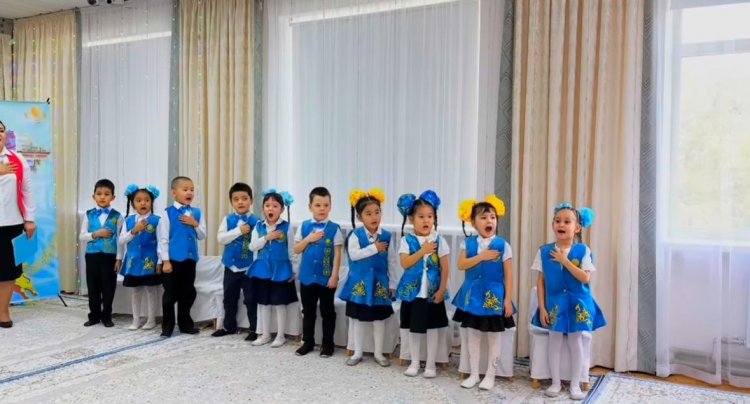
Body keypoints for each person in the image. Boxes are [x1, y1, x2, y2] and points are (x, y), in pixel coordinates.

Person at [531, 203, 606, 400]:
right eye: (557, 221)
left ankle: (575, 384)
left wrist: (565, 261)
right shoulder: (544, 251)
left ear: (577, 227)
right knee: (554, 340)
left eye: (567, 221)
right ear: (552, 225)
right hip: (555, 304)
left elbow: (585, 278)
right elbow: (541, 282)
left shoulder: (583, 250)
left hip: (578, 303)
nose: (561, 224)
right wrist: (542, 308)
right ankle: (555, 383)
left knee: (575, 340)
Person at [452, 196, 515, 390]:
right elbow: (461, 264)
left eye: (493, 217)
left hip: (493, 296)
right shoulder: (468, 244)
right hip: (472, 296)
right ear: (473, 222)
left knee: (494, 336)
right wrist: (482, 256)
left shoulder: (503, 245)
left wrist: (507, 300)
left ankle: (490, 375)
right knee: (473, 335)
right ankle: (473, 374)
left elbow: (509, 276)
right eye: (484, 217)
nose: (489, 221)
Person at [339, 189, 399, 367]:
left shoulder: (387, 236)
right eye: (369, 213)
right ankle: (357, 352)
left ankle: (379, 353)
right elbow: (354, 255)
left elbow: (392, 261)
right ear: (360, 217)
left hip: (379, 283)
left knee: (379, 319)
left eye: (377, 212)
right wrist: (374, 248)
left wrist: (393, 283)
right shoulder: (355, 235)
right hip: (359, 284)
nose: (374, 217)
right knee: (358, 319)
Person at [395, 190, 450, 378]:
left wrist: (441, 290)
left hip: (432, 293)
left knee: (432, 329)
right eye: (421, 217)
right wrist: (423, 251)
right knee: (414, 328)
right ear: (411, 219)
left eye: (430, 216)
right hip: (413, 293)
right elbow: (405, 263)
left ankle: (431, 365)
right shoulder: (406, 240)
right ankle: (414, 362)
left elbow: (445, 268)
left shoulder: (439, 241)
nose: (426, 220)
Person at [293, 187, 343, 357]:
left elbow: (337, 254)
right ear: (310, 207)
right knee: (308, 311)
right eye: (318, 205)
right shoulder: (304, 226)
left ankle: (328, 344)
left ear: (330, 206)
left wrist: (334, 276)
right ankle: (308, 341)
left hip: (326, 278)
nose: (322, 209)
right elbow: (297, 249)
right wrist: (309, 238)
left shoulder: (334, 228)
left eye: (326, 205)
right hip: (307, 277)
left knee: (327, 311)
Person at [247, 189, 297, 348]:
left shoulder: (287, 227)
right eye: (267, 205)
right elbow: (252, 247)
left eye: (275, 206)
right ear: (263, 208)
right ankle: (265, 334)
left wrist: (294, 270)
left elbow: (292, 251)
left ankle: (281, 336)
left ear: (281, 209)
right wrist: (266, 237)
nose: (271, 208)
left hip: (281, 270)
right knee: (263, 303)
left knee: (279, 303)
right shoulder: (258, 226)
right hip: (262, 269)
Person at [0, 119, 36, 329]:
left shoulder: (17, 158)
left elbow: (27, 190)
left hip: (12, 222)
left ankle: (3, 311)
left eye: (1, 130)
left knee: (8, 271)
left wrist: (29, 219)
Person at [213, 182, 260, 341]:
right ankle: (228, 327)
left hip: (249, 267)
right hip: (230, 266)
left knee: (251, 299)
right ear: (231, 202)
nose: (240, 202)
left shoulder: (256, 221)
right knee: (229, 298)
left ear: (251, 200)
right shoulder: (227, 219)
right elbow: (221, 238)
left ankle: (254, 329)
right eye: (236, 199)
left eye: (244, 198)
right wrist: (239, 231)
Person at [161, 176, 206, 337]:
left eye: (192, 190)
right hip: (172, 261)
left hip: (190, 260)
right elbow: (163, 239)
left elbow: (202, 235)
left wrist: (195, 224)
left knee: (187, 293)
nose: (189, 193)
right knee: (170, 295)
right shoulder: (167, 213)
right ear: (174, 192)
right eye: (185, 189)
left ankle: (185, 324)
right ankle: (167, 326)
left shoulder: (196, 213)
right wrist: (165, 261)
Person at [119, 184, 167, 331]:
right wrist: (134, 230)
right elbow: (121, 240)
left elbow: (161, 242)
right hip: (133, 262)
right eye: (138, 200)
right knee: (136, 291)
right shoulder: (128, 221)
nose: (143, 203)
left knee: (151, 290)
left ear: (151, 202)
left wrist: (160, 261)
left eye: (146, 200)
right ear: (133, 203)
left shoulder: (157, 220)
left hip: (150, 261)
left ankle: (151, 319)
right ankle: (136, 319)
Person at [79, 179, 123, 327]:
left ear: (113, 197)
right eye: (99, 194)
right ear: (94, 196)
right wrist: (95, 234)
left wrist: (119, 258)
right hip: (92, 255)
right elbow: (82, 236)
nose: (102, 197)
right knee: (93, 287)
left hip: (110, 256)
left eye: (106, 194)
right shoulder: (89, 214)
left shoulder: (117, 216)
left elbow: (120, 239)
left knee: (108, 287)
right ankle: (94, 316)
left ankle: (107, 316)